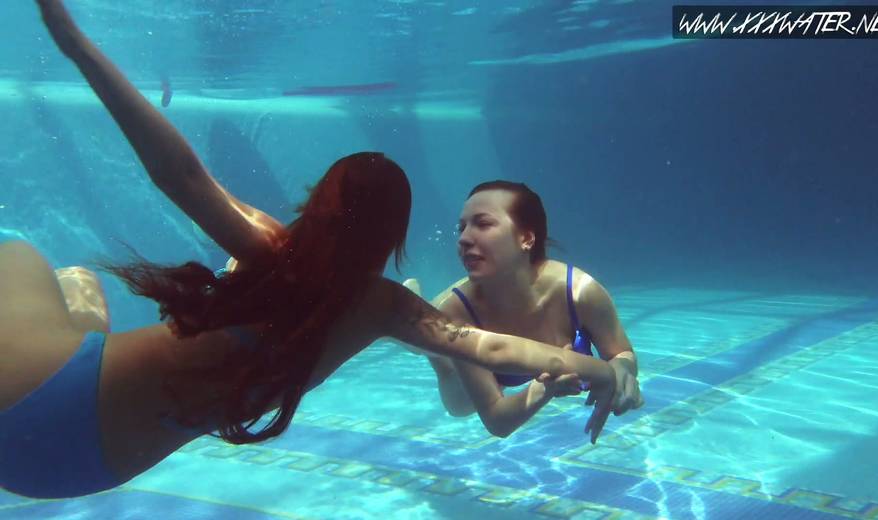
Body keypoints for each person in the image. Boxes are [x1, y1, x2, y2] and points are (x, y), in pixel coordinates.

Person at [0, 0, 619, 500]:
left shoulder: (275, 252)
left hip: (35, 401)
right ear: (393, 235)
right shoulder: (383, 307)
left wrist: (76, 45)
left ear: (320, 201)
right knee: (80, 288)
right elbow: (494, 348)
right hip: (74, 473)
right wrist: (602, 370)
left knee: (20, 253)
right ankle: (79, 310)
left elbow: (180, 176)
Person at [403, 181, 644, 438]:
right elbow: (497, 420)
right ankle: (416, 320)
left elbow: (621, 352)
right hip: (461, 333)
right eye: (461, 227)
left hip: (477, 331)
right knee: (458, 401)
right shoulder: (457, 312)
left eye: (483, 224)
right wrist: (544, 389)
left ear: (526, 239)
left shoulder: (579, 292)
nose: (463, 238)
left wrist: (621, 370)